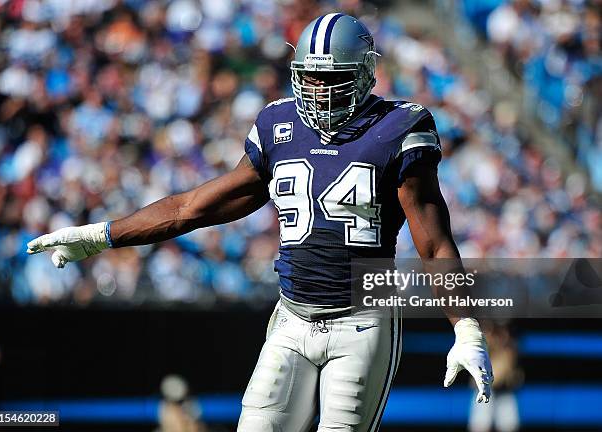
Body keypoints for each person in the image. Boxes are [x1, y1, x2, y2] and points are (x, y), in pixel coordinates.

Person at [27, 13, 493, 431]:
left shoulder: (400, 127)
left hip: (362, 323)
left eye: (334, 80)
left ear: (366, 75)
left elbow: (433, 243)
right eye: (310, 77)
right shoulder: (278, 124)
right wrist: (101, 235)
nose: (320, 91)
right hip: (292, 317)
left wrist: (465, 326)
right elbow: (192, 208)